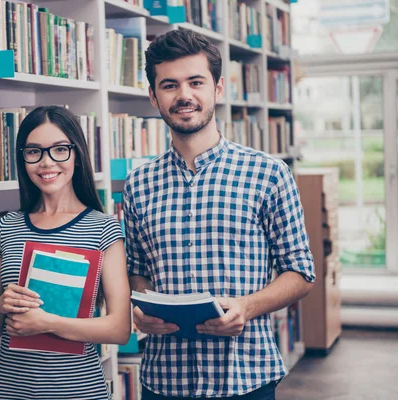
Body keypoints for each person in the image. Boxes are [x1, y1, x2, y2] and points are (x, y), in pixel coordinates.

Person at [124, 29, 316, 400]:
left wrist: (246, 306)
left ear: (218, 88)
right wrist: (141, 308)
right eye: (169, 85)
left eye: (196, 82)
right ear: (153, 96)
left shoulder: (269, 174)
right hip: (164, 381)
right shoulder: (138, 183)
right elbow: (137, 271)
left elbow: (301, 273)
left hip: (246, 378)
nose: (184, 96)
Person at [0, 106, 130, 400]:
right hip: (11, 391)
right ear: (22, 158)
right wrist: (0, 307)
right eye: (34, 151)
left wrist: (47, 323)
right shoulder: (3, 229)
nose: (46, 163)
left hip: (79, 391)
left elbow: (119, 329)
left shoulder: (103, 229)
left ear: (77, 154)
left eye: (59, 150)